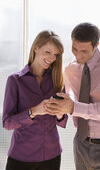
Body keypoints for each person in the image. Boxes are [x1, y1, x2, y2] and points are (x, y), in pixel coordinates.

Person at [46, 22, 100, 170]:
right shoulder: (70, 69)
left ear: (96, 46)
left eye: (84, 51)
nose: (78, 55)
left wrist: (73, 107)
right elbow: (69, 101)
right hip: (81, 143)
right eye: (74, 49)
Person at [2, 30, 67, 170]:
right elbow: (7, 123)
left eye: (55, 54)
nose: (52, 58)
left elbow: (62, 121)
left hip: (52, 155)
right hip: (21, 157)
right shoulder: (15, 81)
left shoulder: (57, 80)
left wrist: (60, 112)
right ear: (36, 48)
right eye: (48, 52)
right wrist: (33, 111)